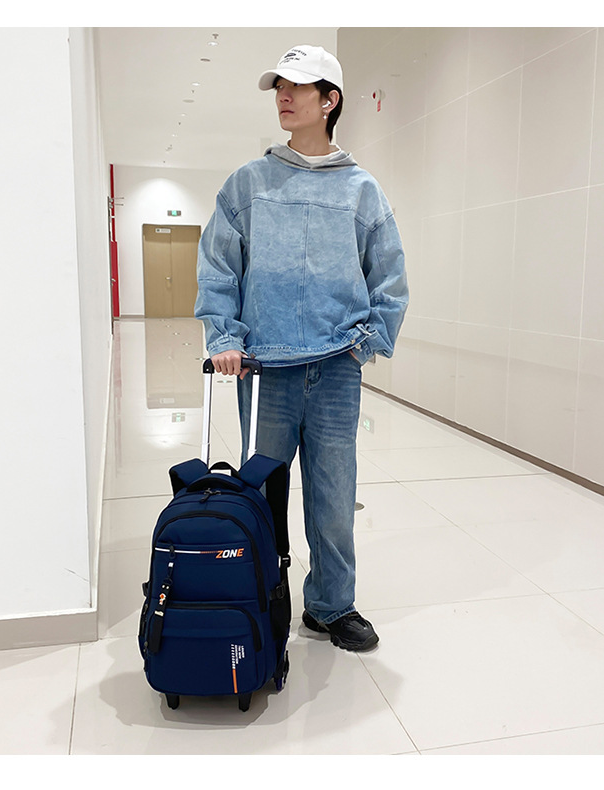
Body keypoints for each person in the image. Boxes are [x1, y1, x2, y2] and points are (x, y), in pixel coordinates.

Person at [194, 44, 408, 651]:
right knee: (261, 496)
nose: (283, 96)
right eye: (279, 87)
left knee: (334, 496)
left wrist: (366, 343)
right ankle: (257, 599)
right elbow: (218, 265)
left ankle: (331, 606)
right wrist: (226, 338)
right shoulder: (249, 183)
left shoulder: (362, 190)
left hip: (335, 371)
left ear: (329, 100)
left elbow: (389, 276)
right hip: (266, 370)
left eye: (298, 87)